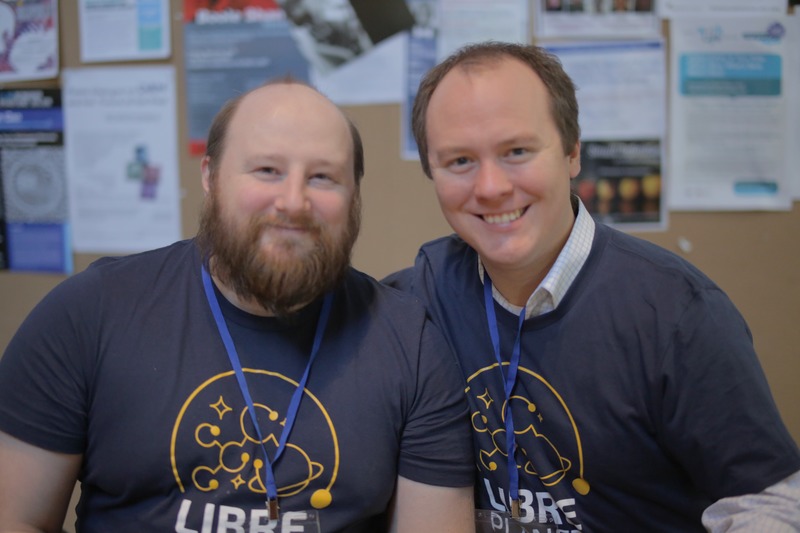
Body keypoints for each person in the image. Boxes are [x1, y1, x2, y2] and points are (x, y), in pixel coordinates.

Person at [0, 79, 475, 533]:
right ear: (211, 176)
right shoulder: (91, 312)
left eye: (323, 177)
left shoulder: (410, 342)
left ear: (353, 196)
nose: (293, 201)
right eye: (267, 170)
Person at [384, 41, 800, 532]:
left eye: (516, 151)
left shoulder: (677, 314)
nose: (491, 186)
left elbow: (769, 503)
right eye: (459, 161)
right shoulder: (422, 299)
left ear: (572, 151)